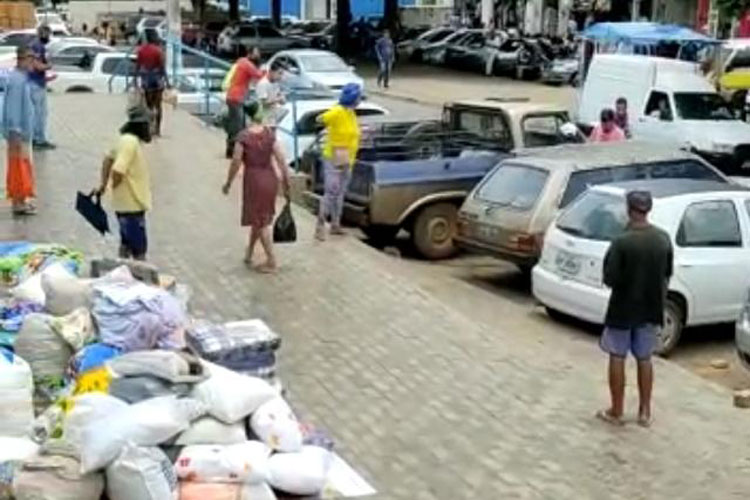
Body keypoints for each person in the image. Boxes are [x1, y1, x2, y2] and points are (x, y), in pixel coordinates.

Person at [597, 191, 672, 428]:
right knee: (645, 358)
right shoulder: (663, 239)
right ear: (648, 210)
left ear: (629, 210)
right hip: (651, 309)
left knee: (617, 356)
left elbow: (609, 278)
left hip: (622, 309)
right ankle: (645, 411)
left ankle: (617, 410)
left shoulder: (621, 241)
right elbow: (667, 273)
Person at [222, 101, 290, 273]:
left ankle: (271, 261)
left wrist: (228, 183)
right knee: (259, 218)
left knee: (260, 222)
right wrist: (286, 181)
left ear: (246, 115)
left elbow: (236, 161)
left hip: (253, 179)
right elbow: (281, 159)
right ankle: (249, 253)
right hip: (270, 178)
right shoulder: (269, 134)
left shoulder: (243, 137)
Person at [96, 106, 153, 260]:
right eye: (149, 124)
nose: (151, 128)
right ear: (142, 125)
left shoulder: (122, 139)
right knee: (139, 249)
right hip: (132, 204)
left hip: (123, 205)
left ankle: (123, 271)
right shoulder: (131, 143)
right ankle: (139, 277)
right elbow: (118, 170)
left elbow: (107, 160)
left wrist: (103, 184)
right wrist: (113, 185)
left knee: (126, 243)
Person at [315, 83, 362, 241]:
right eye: (358, 97)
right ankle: (320, 226)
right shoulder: (338, 111)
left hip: (347, 158)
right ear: (353, 98)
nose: (360, 100)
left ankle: (336, 224)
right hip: (334, 156)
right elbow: (320, 119)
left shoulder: (351, 113)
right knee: (331, 191)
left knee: (340, 192)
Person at [2, 46, 36, 215]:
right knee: (18, 168)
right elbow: (13, 107)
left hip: (22, 132)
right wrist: (15, 130)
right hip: (18, 132)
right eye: (30, 58)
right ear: (22, 59)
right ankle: (18, 202)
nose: (33, 62)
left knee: (23, 166)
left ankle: (22, 199)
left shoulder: (21, 78)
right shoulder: (17, 80)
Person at [225, 45, 264, 158]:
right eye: (256, 53)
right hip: (236, 97)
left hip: (234, 96)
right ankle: (234, 151)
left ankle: (232, 149)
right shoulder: (247, 64)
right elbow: (258, 75)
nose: (259, 55)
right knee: (238, 126)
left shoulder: (242, 61)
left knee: (237, 124)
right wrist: (266, 71)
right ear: (250, 53)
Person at [135, 30, 168, 137]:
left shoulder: (141, 50)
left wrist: (135, 81)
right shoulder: (159, 51)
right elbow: (162, 67)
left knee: (148, 106)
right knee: (158, 106)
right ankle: (157, 130)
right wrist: (167, 81)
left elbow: (138, 66)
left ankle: (149, 127)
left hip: (146, 79)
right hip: (157, 79)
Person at [29, 25, 55, 150]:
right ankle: (39, 140)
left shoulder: (33, 45)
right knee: (41, 113)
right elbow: (37, 66)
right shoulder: (38, 46)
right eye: (48, 34)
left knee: (37, 113)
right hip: (36, 83)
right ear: (43, 33)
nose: (49, 37)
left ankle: (35, 138)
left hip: (35, 82)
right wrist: (49, 65)